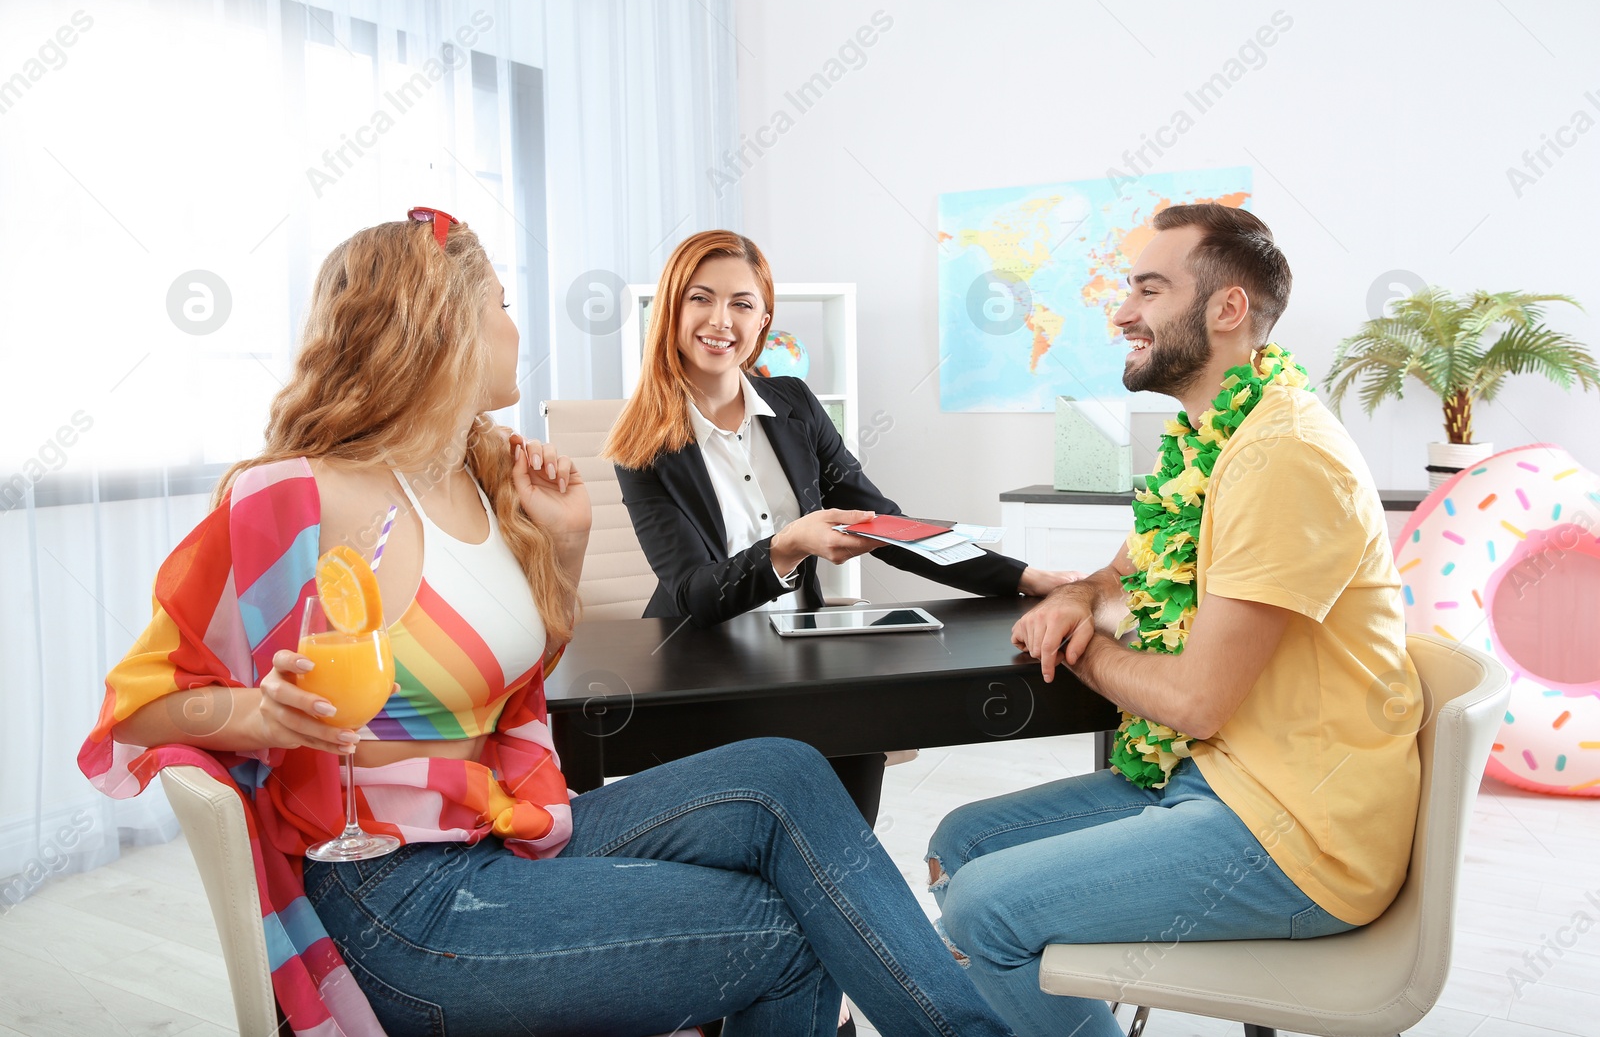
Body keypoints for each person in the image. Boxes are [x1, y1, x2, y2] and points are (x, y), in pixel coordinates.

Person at [79, 210, 1017, 1037]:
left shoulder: (475, 477)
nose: (513, 323)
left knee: (787, 770)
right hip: (403, 901)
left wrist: (564, 544)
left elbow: (514, 679)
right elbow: (140, 708)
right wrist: (259, 716)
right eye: (500, 301)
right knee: (794, 926)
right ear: (441, 326)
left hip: (501, 826)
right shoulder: (287, 496)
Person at [924, 205, 1420, 1036]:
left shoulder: (1282, 454)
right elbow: (1120, 572)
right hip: (1217, 782)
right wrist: (1079, 600)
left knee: (981, 908)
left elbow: (1194, 703)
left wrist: (1078, 644)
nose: (1122, 313)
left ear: (1227, 309)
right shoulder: (1210, 441)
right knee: (963, 837)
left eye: (1149, 289)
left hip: (1298, 835)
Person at [603, 229, 1072, 819]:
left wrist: (1025, 577)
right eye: (701, 298)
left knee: (858, 748)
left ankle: (842, 889)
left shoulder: (794, 404)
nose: (721, 319)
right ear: (671, 308)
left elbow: (883, 526)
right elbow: (692, 591)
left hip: (797, 652)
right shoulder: (640, 444)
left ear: (763, 319)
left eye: (742, 303)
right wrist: (789, 545)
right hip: (695, 669)